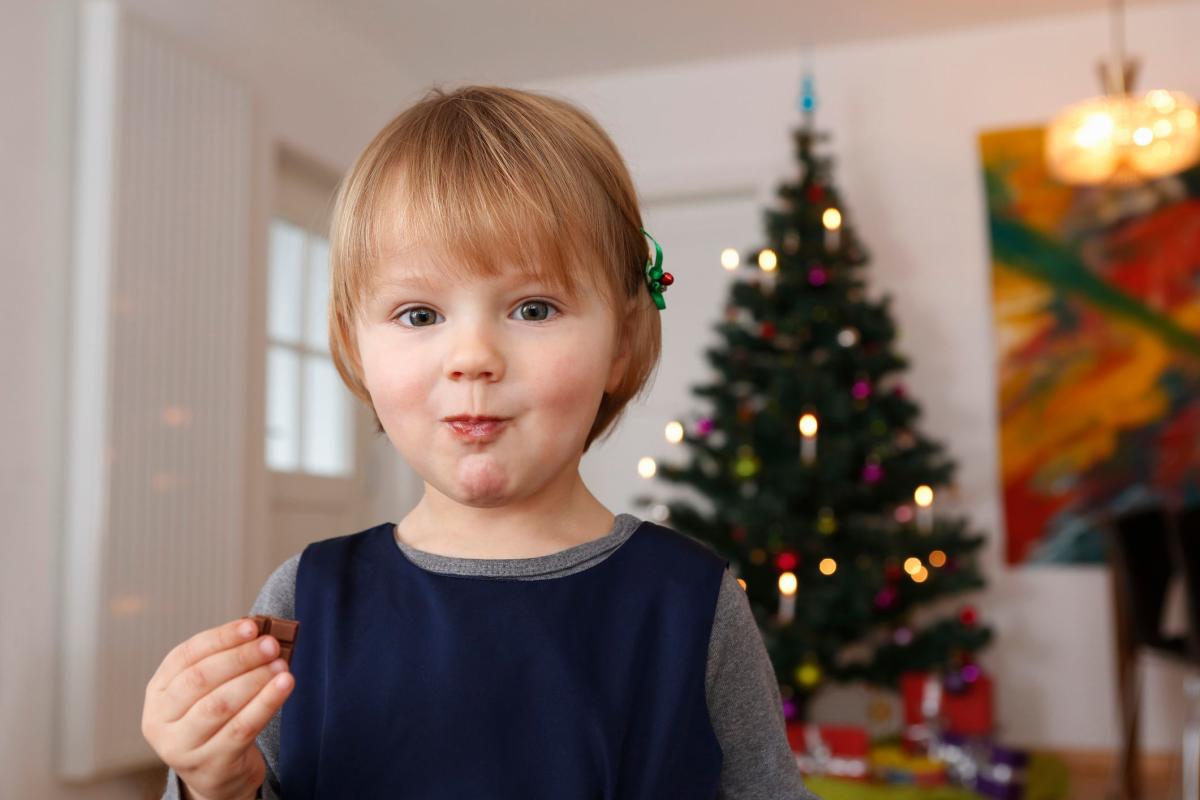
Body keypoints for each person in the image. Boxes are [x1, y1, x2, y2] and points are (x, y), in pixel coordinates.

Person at [142, 84, 821, 800]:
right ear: (353, 348)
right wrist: (213, 785)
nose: (472, 356)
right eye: (418, 313)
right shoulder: (307, 598)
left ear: (622, 341)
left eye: (533, 307)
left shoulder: (692, 604)